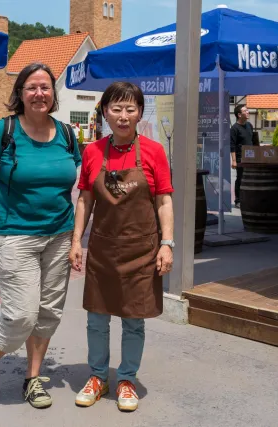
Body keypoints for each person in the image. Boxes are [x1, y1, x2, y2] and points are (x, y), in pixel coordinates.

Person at [0, 62, 81, 413]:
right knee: (20, 316)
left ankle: (33, 377)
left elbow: (74, 184)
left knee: (48, 313)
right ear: (21, 93)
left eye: (45, 87)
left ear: (53, 94)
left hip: (59, 234)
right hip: (15, 237)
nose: (39, 93)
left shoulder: (68, 134)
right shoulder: (3, 131)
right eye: (32, 87)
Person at [69, 81, 174, 413]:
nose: (124, 115)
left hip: (142, 250)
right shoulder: (92, 151)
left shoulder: (154, 151)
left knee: (134, 319)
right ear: (104, 112)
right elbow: (85, 200)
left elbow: (163, 201)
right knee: (96, 318)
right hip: (102, 248)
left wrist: (167, 244)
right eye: (116, 108)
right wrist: (76, 241)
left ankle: (127, 378)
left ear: (140, 112)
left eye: (131, 108)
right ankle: (98, 376)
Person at [230, 104, 255, 208]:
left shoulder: (249, 125)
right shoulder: (234, 128)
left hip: (251, 156)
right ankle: (238, 200)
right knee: (240, 178)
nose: (248, 112)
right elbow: (232, 145)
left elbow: (252, 140)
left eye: (247, 110)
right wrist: (234, 161)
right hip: (240, 158)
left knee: (251, 179)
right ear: (239, 115)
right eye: (245, 111)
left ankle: (248, 199)